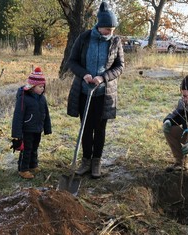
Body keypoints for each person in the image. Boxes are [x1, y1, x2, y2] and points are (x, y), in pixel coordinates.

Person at [67, 2, 124, 179]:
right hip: (84, 92)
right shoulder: (84, 38)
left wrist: (103, 77)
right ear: (99, 25)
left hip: (104, 94)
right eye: (107, 28)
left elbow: (120, 66)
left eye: (112, 29)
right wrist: (84, 75)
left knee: (100, 128)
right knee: (86, 127)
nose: (110, 32)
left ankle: (96, 162)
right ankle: (85, 161)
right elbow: (72, 61)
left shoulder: (115, 42)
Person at [11, 67, 52, 179]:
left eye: (43, 87)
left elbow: (46, 114)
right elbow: (18, 117)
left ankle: (33, 165)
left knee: (34, 148)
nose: (42, 89)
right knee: (26, 149)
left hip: (38, 128)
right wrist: (17, 134)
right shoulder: (23, 99)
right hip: (27, 129)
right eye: (40, 87)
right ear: (32, 87)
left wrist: (47, 128)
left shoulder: (42, 99)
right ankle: (23, 169)